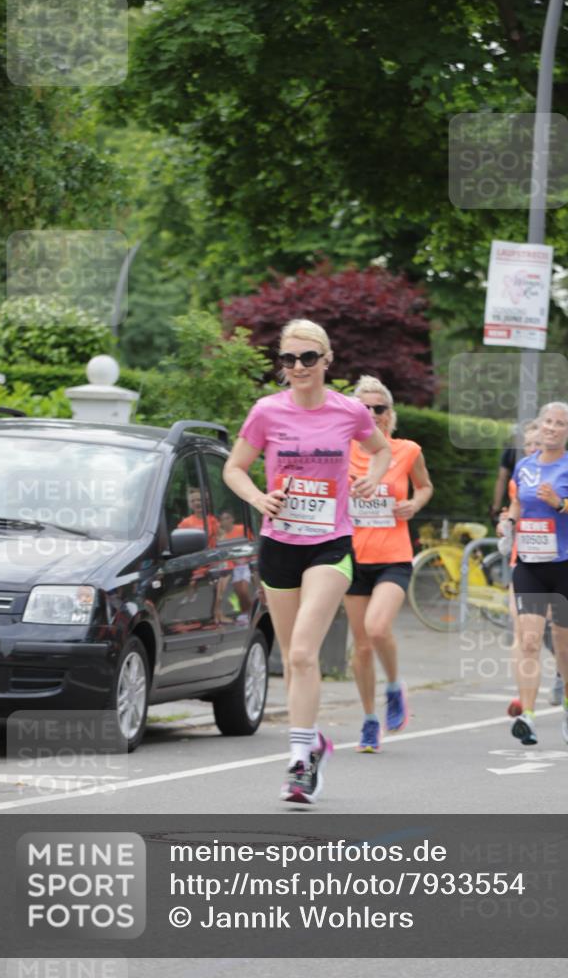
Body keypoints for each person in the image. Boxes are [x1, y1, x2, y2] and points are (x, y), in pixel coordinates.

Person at [223, 319, 391, 803]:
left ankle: (298, 762)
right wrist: (258, 497)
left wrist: (372, 479)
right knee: (294, 659)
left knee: (300, 652)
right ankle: (312, 739)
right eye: (289, 359)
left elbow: (378, 451)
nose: (298, 367)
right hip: (279, 543)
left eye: (308, 359)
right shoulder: (266, 411)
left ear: (326, 361)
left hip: (329, 544)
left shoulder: (350, 411)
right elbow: (234, 468)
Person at [498, 402, 568, 746]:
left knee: (563, 644)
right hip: (530, 562)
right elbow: (518, 502)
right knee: (528, 639)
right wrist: (509, 521)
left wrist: (561, 504)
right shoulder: (525, 466)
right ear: (540, 426)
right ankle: (527, 716)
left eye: (560, 424)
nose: (552, 428)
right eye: (548, 422)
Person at [344, 376, 433, 752]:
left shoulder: (407, 450)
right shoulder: (341, 449)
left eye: (379, 409)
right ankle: (368, 721)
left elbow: (425, 486)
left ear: (389, 414)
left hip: (393, 556)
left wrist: (414, 503)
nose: (372, 415)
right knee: (361, 647)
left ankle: (395, 687)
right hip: (350, 557)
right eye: (364, 408)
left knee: (378, 629)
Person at [217, 509, 252, 622]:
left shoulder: (242, 529)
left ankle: (252, 612)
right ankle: (244, 613)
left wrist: (246, 559)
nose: (226, 521)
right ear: (220, 522)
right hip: (233, 567)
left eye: (228, 518)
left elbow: (251, 543)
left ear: (232, 519)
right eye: (223, 519)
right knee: (239, 593)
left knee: (244, 591)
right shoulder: (222, 536)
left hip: (245, 565)